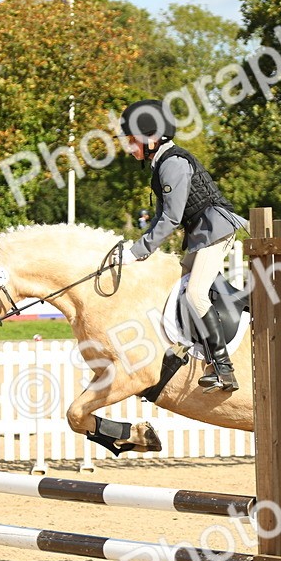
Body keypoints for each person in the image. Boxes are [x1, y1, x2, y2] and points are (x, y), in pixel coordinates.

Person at [117, 99, 247, 392]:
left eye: (131, 140)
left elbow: (172, 218)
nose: (128, 146)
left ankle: (223, 367)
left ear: (151, 138)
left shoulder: (173, 163)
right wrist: (140, 248)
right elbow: (161, 218)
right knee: (177, 284)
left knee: (196, 294)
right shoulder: (161, 162)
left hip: (216, 230)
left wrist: (138, 251)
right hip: (204, 232)